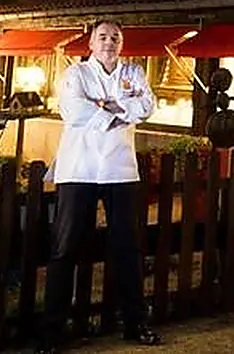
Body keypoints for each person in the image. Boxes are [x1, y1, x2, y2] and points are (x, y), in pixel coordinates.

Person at [36, 19, 162, 352]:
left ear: (122, 43)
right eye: (102, 36)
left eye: (115, 37)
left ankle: (136, 322)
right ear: (90, 43)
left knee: (129, 247)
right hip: (78, 169)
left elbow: (147, 106)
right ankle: (52, 332)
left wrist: (105, 108)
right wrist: (122, 110)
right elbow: (74, 112)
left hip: (121, 170)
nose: (109, 42)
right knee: (65, 249)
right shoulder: (75, 74)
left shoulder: (134, 73)